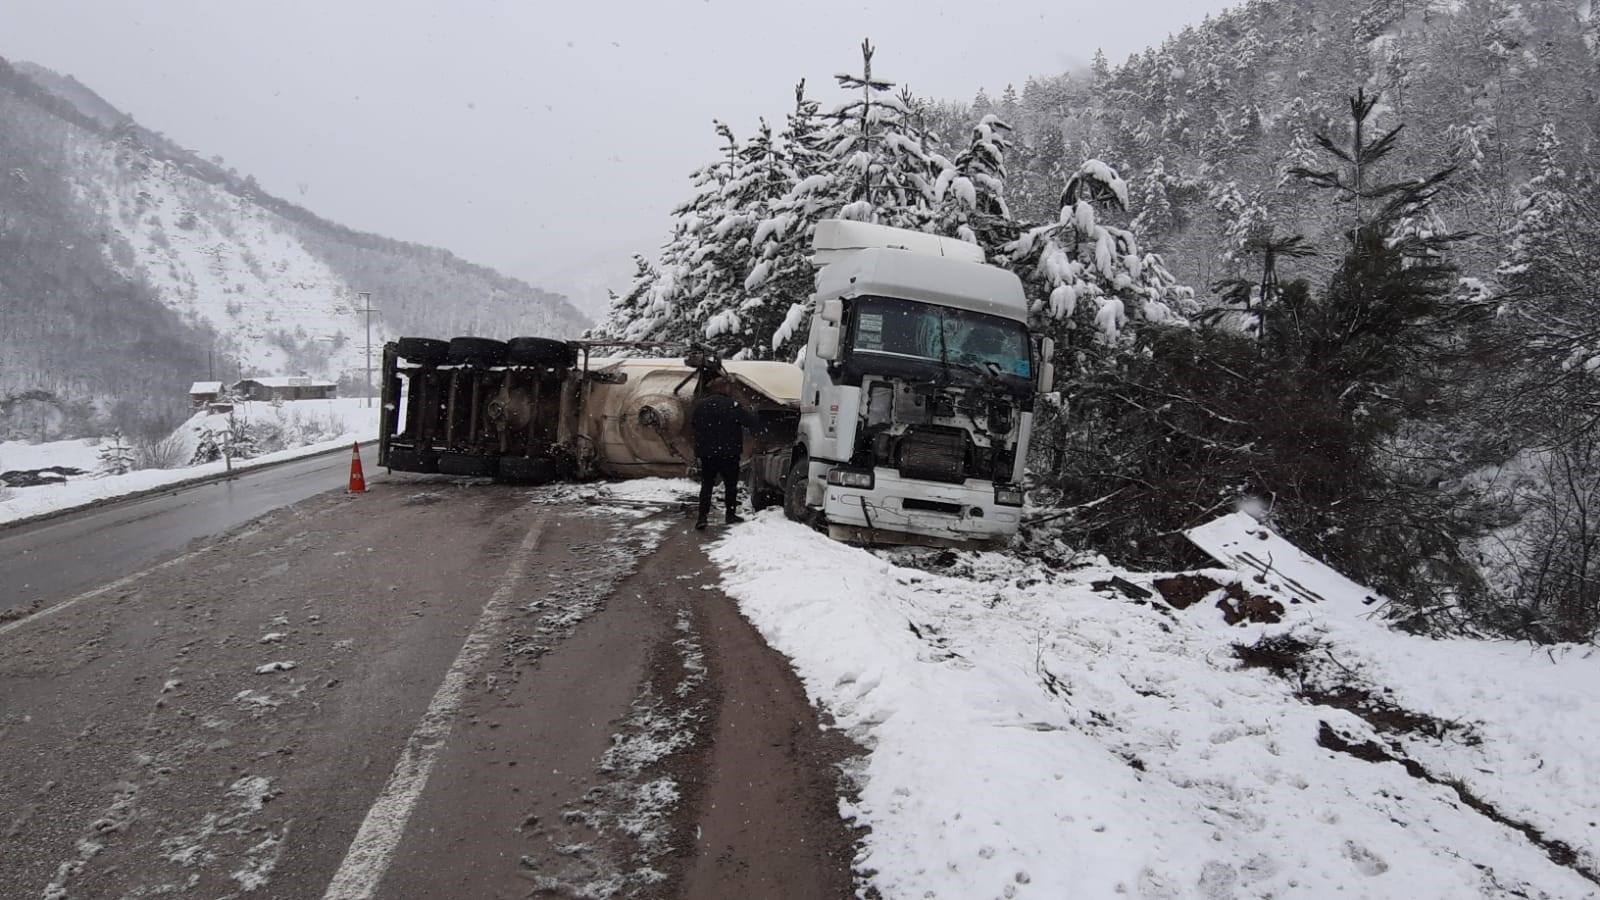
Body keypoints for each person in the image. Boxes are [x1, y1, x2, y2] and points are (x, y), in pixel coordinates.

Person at [690, 378, 759, 530]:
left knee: (707, 485)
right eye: (728, 386)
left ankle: (702, 518)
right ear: (723, 388)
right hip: (729, 453)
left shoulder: (701, 405)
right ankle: (730, 514)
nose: (730, 389)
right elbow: (750, 422)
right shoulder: (732, 405)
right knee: (730, 485)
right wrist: (754, 412)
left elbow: (694, 424)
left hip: (707, 454)